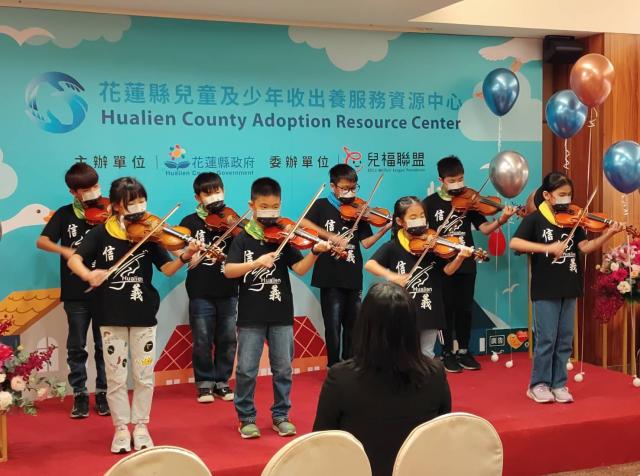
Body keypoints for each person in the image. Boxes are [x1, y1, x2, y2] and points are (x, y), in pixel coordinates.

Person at [68, 177, 200, 453]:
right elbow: (74, 259)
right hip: (110, 314)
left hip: (143, 313)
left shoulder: (150, 234)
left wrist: (185, 256)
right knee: (116, 378)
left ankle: (141, 426)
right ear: (117, 206)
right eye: (133, 202)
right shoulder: (101, 233)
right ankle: (120, 429)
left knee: (143, 376)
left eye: (142, 200)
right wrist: (89, 274)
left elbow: (167, 270)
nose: (140, 207)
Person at [224, 177, 330, 439]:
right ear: (252, 205)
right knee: (247, 370)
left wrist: (315, 252)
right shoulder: (243, 239)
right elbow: (228, 270)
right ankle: (246, 417)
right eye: (264, 206)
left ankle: (281, 415)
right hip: (250, 316)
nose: (271, 212)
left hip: (281, 314)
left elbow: (300, 269)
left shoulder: (285, 237)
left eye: (275, 207)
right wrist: (255, 263)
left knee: (283, 369)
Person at [313, 282, 451, 476]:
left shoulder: (341, 378)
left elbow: (319, 444)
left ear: (364, 325)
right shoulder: (435, 374)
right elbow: (442, 438)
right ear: (413, 325)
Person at [510, 172, 623, 403]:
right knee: (546, 340)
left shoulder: (574, 218)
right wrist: (548, 248)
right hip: (545, 288)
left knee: (564, 340)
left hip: (570, 286)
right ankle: (538, 384)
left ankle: (559, 384)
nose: (567, 199)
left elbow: (585, 247)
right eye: (561, 194)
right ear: (547, 195)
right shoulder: (535, 219)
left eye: (569, 194)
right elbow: (515, 242)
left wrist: (608, 234)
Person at [423, 155, 517, 372]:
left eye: (460, 179)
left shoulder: (471, 200)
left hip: (466, 261)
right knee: (446, 308)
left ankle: (464, 351)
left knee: (464, 308)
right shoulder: (429, 203)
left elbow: (485, 229)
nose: (458, 184)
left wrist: (501, 220)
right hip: (442, 264)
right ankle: (447, 352)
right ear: (441, 180)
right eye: (452, 180)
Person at [36, 163, 109, 419]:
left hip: (106, 291)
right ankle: (79, 394)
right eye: (86, 189)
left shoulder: (110, 210)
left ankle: (103, 392)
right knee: (77, 345)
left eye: (96, 186)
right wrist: (65, 250)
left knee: (104, 345)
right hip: (75, 291)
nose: (94, 192)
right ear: (73, 192)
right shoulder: (65, 214)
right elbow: (42, 241)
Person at [302, 164, 391, 367]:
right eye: (345, 188)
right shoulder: (321, 205)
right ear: (333, 186)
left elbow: (366, 243)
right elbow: (304, 224)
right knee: (333, 325)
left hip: (352, 273)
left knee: (353, 325)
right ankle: (334, 365)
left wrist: (383, 230)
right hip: (330, 275)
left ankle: (350, 364)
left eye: (353, 188)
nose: (350, 192)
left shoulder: (360, 209)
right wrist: (331, 236)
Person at [365, 196, 471, 359]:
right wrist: (391, 275)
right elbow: (370, 264)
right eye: (413, 217)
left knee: (426, 354)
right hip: (402, 309)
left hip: (429, 307)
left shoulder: (433, 245)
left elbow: (448, 271)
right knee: (402, 354)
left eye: (422, 216)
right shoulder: (393, 246)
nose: (420, 220)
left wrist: (460, 258)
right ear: (400, 221)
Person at [178, 172, 238, 403]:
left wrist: (237, 228)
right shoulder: (189, 222)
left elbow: (244, 247)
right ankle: (204, 383)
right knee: (202, 339)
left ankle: (222, 382)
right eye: (208, 193)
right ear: (198, 197)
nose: (214, 196)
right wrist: (187, 254)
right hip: (200, 290)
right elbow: (176, 247)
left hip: (228, 289)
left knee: (227, 339)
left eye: (217, 191)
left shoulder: (233, 219)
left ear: (223, 191)